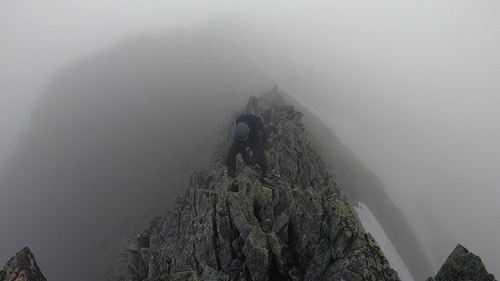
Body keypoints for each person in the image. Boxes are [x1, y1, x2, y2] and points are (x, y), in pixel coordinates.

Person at [226, 114, 268, 178]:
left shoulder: (256, 132)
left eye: (243, 139)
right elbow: (241, 147)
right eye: (240, 139)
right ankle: (231, 170)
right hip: (245, 136)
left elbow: (258, 148)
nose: (242, 140)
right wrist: (248, 161)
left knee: (261, 153)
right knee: (232, 151)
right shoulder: (238, 133)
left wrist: (254, 159)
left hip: (253, 139)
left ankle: (265, 171)